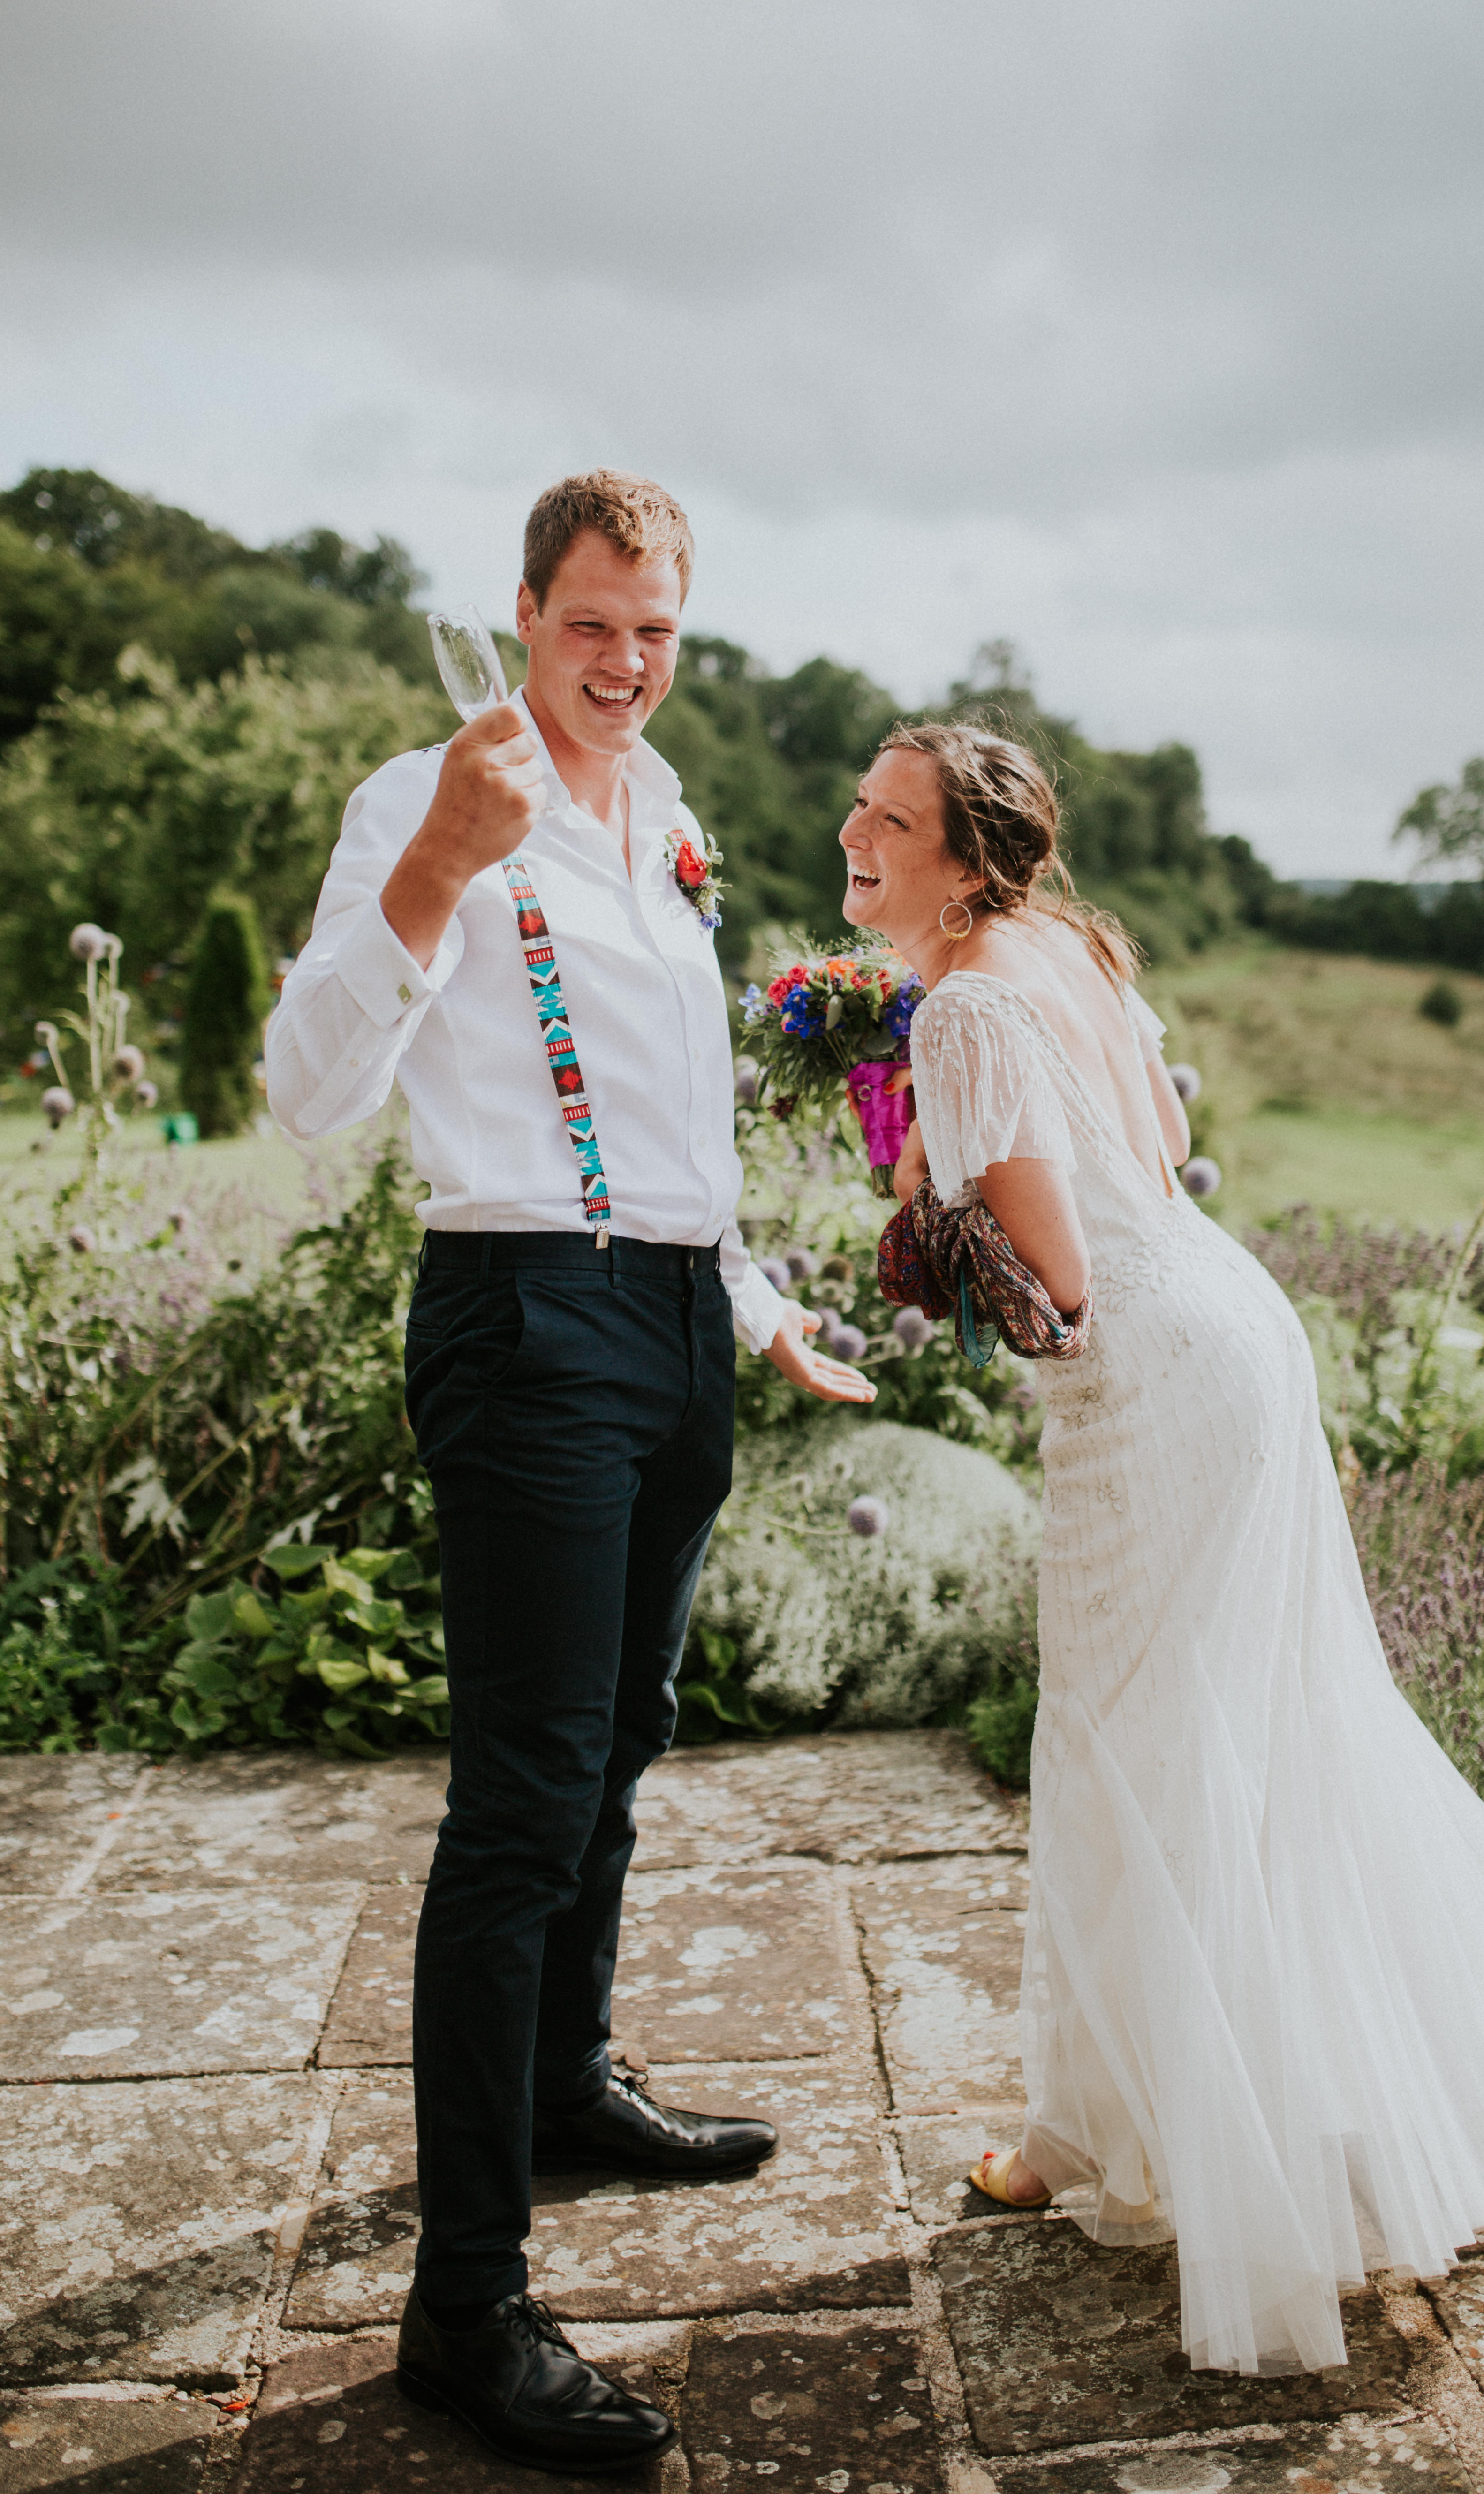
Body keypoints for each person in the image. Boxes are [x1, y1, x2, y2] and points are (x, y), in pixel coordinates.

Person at [842, 717, 1484, 2377]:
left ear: (965, 861)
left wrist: (923, 1231)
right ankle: (1125, 2111)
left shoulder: (969, 997)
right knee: (1242, 1731)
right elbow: (1146, 1157)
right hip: (1234, 1335)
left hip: (1148, 1384)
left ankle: (1105, 2136)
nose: (856, 831)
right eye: (860, 804)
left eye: (888, 816)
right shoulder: (1065, 944)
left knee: (1130, 1742)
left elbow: (1054, 1289)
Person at [267, 470, 872, 2470]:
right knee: (522, 1799)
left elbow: (672, 1113)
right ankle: (464, 2306)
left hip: (677, 1315)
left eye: (654, 631)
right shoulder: (422, 797)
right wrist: (436, 869)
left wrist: (758, 1295)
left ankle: (563, 2080)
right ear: (524, 612)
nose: (621, 664)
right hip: (521, 1313)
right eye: (590, 624)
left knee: (622, 1738)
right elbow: (305, 1091)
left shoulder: (671, 808)